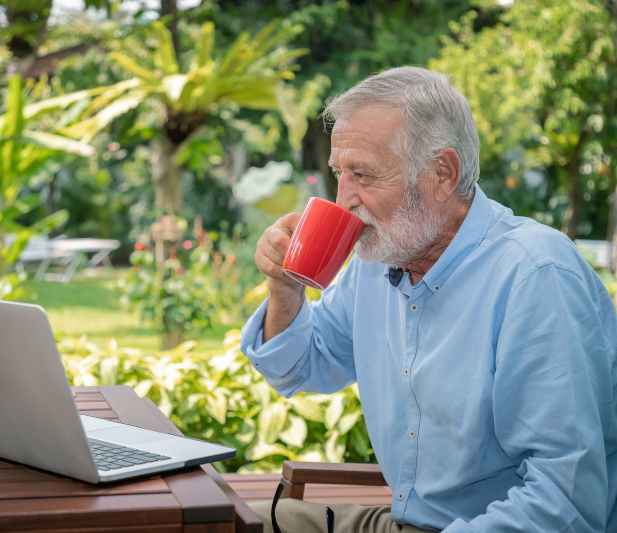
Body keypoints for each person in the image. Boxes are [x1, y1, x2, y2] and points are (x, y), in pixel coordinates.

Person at [240, 66, 617, 532]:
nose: (344, 200)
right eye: (339, 173)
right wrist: (285, 289)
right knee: (224, 523)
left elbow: (567, 504)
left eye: (362, 174)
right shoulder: (379, 260)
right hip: (401, 520)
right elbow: (299, 368)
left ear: (442, 173)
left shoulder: (535, 276)